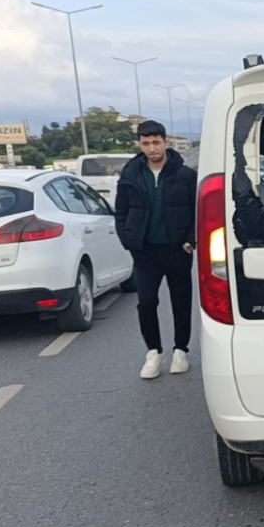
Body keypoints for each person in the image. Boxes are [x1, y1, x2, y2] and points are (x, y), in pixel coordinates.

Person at [113, 121, 198, 380]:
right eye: (146, 143)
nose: (152, 148)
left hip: (177, 250)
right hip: (145, 252)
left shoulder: (185, 175)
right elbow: (121, 212)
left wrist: (190, 240)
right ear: (140, 145)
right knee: (147, 302)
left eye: (156, 142)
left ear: (166, 142)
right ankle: (154, 352)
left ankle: (181, 351)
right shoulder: (131, 175)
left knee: (181, 302)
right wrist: (129, 240)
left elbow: (197, 211)